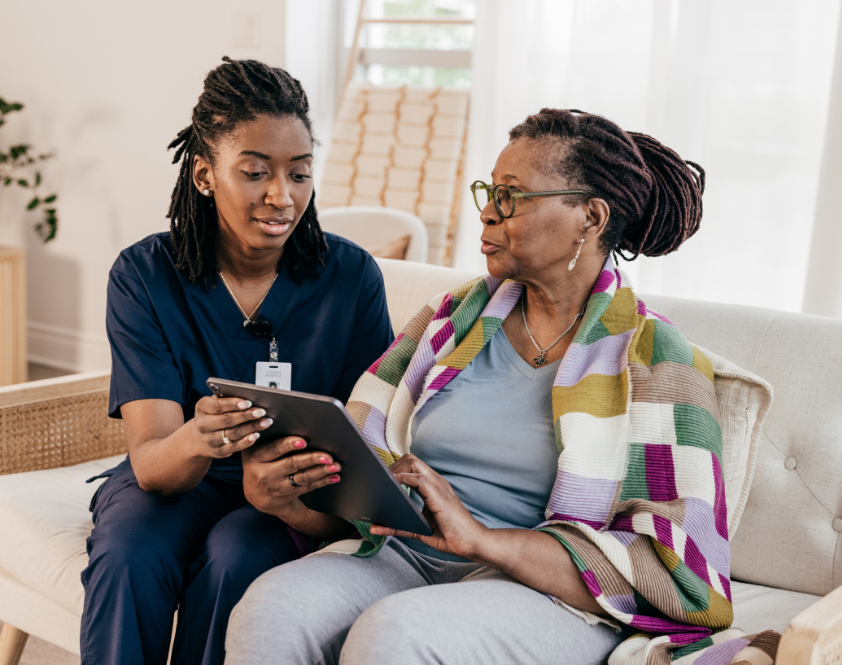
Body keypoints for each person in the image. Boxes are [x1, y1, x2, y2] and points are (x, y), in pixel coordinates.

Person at [224, 108, 780, 665]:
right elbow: (368, 479)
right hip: (408, 552)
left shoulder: (657, 359)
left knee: (395, 634)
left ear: (589, 217)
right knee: (270, 607)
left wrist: (483, 540)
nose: (488, 214)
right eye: (489, 192)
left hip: (553, 594)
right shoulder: (450, 321)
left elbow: (674, 570)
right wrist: (291, 502)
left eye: (511, 196)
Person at [80, 57, 394, 665]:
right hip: (181, 475)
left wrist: (294, 496)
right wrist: (202, 437)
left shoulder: (351, 277)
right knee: (128, 554)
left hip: (288, 493)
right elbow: (154, 467)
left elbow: (369, 443)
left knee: (237, 557)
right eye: (255, 172)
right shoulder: (144, 275)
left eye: (300, 174)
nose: (282, 196)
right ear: (204, 174)